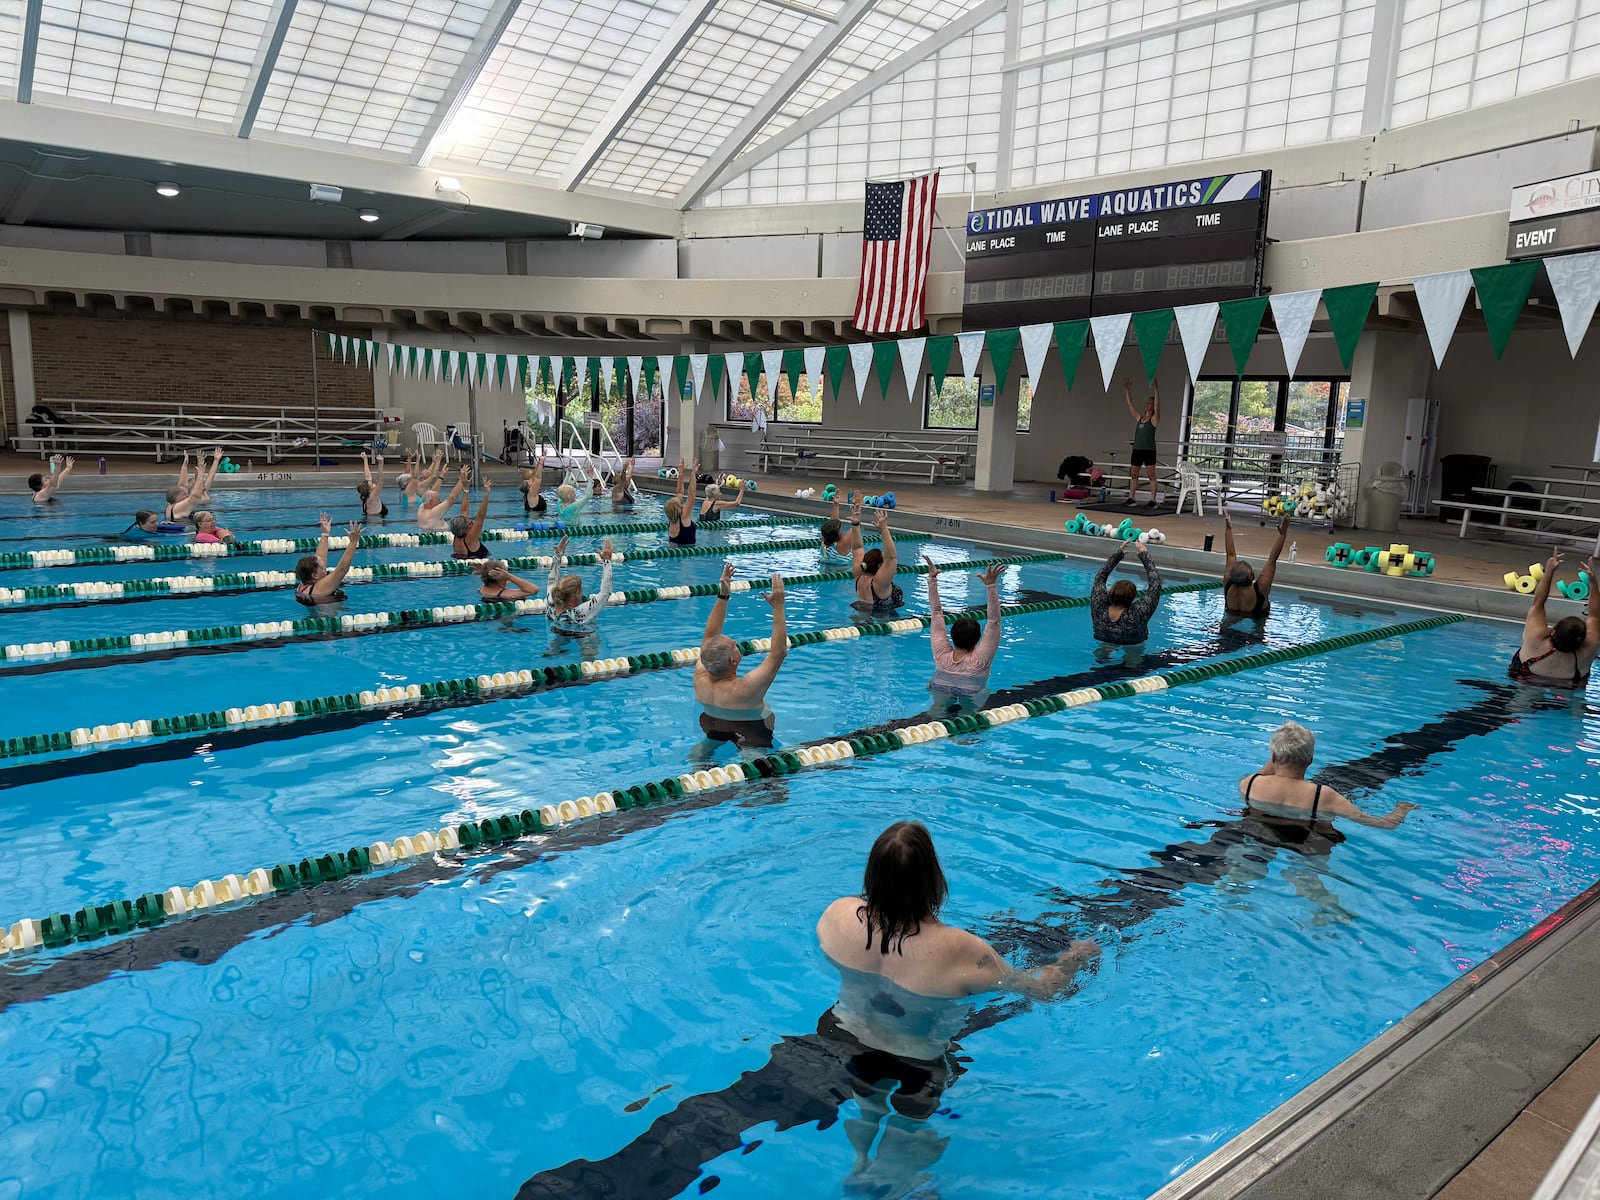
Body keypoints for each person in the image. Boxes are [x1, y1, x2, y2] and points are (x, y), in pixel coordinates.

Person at [816, 822, 1099, 1196]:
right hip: (915, 1061)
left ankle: (859, 1163)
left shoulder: (839, 915)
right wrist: (1074, 959)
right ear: (933, 880)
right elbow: (1042, 990)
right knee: (908, 1129)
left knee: (867, 1105)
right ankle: (894, 1183)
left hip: (847, 1035)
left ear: (873, 875)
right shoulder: (962, 950)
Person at [1240, 722, 1418, 834]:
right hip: (1307, 841)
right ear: (1310, 760)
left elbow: (1263, 773)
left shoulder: (1250, 784)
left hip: (1261, 833)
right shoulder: (1324, 796)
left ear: (1272, 758)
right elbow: (1384, 824)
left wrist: (1274, 759)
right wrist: (1401, 810)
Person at [694, 562, 786, 748]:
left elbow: (710, 637)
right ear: (734, 660)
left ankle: (702, 756)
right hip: (749, 729)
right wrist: (778, 607)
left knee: (701, 760)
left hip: (709, 723)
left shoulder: (701, 674)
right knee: (763, 770)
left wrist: (723, 595)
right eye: (734, 645)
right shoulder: (744, 690)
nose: (736, 643)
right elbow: (778, 654)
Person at [1510, 550, 1600, 688]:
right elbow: (1595, 615)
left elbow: (1538, 602)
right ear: (1582, 638)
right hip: (1567, 687)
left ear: (1553, 632)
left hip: (1525, 679)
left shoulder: (1535, 638)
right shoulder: (1589, 647)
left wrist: (1549, 571)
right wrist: (1593, 582)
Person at [926, 559, 1004, 705]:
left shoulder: (941, 655)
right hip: (971, 691)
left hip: (939, 686)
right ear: (977, 639)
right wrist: (991, 586)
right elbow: (994, 623)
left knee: (936, 713)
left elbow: (936, 614)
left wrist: (932, 579)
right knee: (979, 699)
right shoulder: (979, 661)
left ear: (952, 636)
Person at [1089, 542, 1163, 657]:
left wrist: (1118, 554)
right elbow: (1155, 585)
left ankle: (1103, 656)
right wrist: (1145, 555)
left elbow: (1100, 578)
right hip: (1133, 643)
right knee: (1133, 661)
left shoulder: (1099, 606)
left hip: (1103, 638)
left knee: (1103, 653)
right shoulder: (1138, 612)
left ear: (1111, 593)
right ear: (1132, 597)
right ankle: (1132, 663)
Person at [1222, 510, 1289, 618]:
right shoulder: (1261, 588)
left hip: (1228, 628)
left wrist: (1228, 529)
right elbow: (1273, 559)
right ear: (1251, 576)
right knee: (1258, 627)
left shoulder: (1228, 582)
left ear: (1231, 575)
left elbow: (1230, 555)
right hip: (1255, 629)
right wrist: (1283, 534)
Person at [545, 535, 615, 635]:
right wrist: (607, 560)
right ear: (576, 595)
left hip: (556, 631)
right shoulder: (580, 613)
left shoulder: (550, 606)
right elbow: (605, 592)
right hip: (582, 635)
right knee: (592, 638)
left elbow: (552, 581)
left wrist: (557, 555)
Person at [293, 513, 363, 607]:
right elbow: (341, 570)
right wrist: (353, 542)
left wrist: (325, 534)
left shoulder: (303, 585)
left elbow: (318, 560)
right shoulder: (319, 589)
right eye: (323, 568)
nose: (325, 569)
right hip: (329, 617)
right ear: (315, 575)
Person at [852, 501, 901, 613]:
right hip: (882, 616)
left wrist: (855, 525)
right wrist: (884, 529)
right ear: (879, 565)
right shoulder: (879, 582)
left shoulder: (859, 575)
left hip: (861, 610)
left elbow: (857, 548)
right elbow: (891, 558)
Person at [1121, 379, 1161, 507]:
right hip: (1137, 450)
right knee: (1133, 474)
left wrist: (1156, 389)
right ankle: (1131, 498)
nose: (1147, 405)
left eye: (1150, 403)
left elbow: (1157, 406)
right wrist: (1127, 390)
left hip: (1149, 451)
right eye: (1147, 403)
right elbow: (1130, 405)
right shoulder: (1139, 418)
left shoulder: (1154, 420)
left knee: (1151, 475)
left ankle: (1153, 500)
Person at [449, 478, 492, 559]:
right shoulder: (470, 538)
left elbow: (464, 511)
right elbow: (480, 516)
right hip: (478, 566)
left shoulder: (457, 536)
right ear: (465, 529)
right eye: (471, 523)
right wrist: (486, 494)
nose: (472, 522)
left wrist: (466, 489)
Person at [418, 465, 468, 531]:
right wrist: (462, 480)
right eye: (438, 499)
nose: (440, 501)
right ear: (431, 502)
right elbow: (452, 498)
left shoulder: (422, 508)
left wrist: (441, 476)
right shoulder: (433, 513)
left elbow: (433, 492)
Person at [820, 493, 864, 562]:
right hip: (841, 570)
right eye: (840, 529)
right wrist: (857, 505)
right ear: (838, 534)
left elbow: (832, 524)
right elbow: (855, 529)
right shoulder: (841, 546)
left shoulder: (824, 541)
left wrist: (836, 505)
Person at [666, 460, 699, 546]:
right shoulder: (684, 516)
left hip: (673, 550)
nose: (680, 500)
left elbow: (679, 493)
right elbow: (692, 494)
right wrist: (693, 474)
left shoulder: (672, 518)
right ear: (678, 507)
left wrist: (681, 473)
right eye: (679, 502)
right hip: (686, 555)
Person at [358, 452, 388, 518]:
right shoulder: (373, 497)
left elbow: (368, 476)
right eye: (371, 485)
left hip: (371, 520)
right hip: (375, 522)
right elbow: (380, 481)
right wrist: (380, 463)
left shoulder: (366, 495)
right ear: (369, 490)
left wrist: (365, 460)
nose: (373, 484)